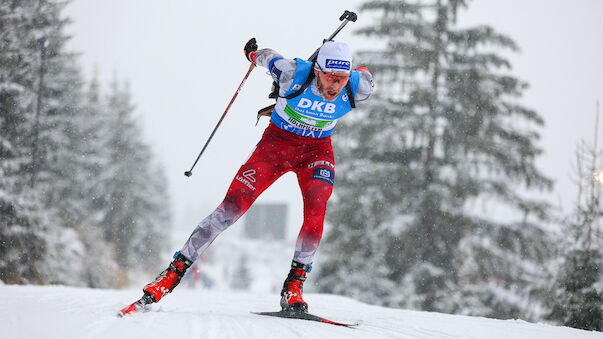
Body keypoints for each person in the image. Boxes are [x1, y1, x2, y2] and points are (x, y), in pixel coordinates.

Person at [139, 38, 374, 314]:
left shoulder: (358, 87)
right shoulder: (292, 73)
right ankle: (171, 275)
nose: (336, 86)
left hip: (316, 152)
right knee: (231, 208)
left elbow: (366, 73)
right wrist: (252, 53)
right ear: (318, 70)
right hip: (275, 147)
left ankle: (293, 288)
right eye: (331, 78)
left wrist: (357, 72)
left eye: (342, 79)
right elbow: (268, 57)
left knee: (317, 208)